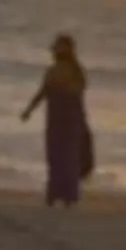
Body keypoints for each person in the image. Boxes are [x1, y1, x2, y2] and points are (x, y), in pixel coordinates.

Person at [20, 33, 93, 208]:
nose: (55, 50)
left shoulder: (76, 71)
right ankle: (53, 195)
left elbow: (77, 92)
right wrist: (29, 109)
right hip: (55, 119)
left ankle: (69, 197)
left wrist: (61, 87)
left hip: (71, 119)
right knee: (54, 156)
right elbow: (42, 92)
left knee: (69, 158)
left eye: (59, 46)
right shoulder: (52, 70)